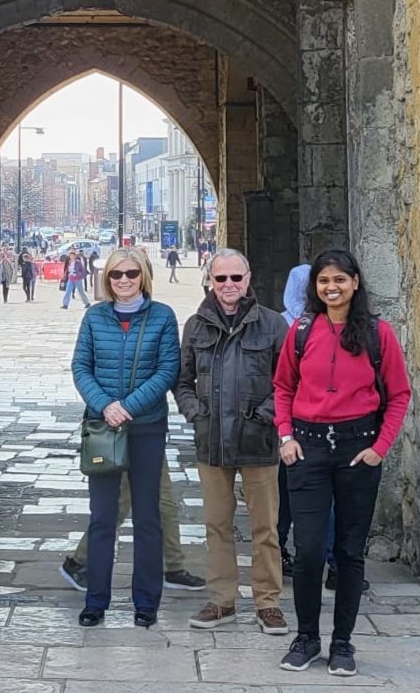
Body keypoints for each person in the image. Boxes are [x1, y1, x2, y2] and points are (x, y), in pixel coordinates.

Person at [274, 250, 411, 677]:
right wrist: (285, 436)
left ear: (354, 282)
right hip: (307, 449)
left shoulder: (377, 334)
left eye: (339, 280)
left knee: (349, 552)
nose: (331, 288)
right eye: (323, 281)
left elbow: (399, 394)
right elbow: (283, 386)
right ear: (314, 287)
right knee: (309, 549)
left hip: (358, 450)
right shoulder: (301, 331)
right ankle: (306, 637)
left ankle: (342, 642)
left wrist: (380, 448)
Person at [176, 248, 289, 636]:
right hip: (212, 441)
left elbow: (288, 381)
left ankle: (267, 602)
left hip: (258, 441)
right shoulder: (196, 326)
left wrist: (266, 415)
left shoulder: (272, 324)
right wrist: (196, 412)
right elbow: (183, 380)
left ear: (248, 278)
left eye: (235, 278)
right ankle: (222, 599)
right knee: (217, 525)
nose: (228, 285)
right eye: (221, 278)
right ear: (211, 280)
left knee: (265, 527)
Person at [71, 246, 180, 628]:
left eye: (131, 273)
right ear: (107, 278)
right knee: (102, 517)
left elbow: (167, 369)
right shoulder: (94, 317)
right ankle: (95, 600)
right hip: (104, 427)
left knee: (147, 516)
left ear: (143, 276)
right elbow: (81, 367)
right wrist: (105, 405)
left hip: (146, 426)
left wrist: (128, 406)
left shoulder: (162, 316)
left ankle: (146, 602)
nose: (123, 280)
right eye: (116, 274)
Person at [59, 457, 205, 594]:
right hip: (121, 442)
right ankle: (78, 562)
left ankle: (174, 568)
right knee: (119, 506)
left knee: (164, 505)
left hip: (150, 442)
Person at [278, 264, 310, 579]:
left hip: (291, 423)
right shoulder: (285, 326)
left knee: (285, 494)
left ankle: (280, 550)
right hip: (301, 421)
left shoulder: (279, 323)